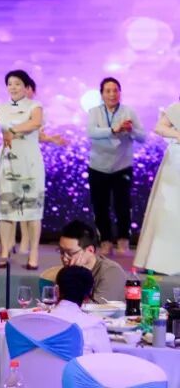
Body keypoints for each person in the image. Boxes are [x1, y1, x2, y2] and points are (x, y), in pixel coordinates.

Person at [0, 70, 44, 268]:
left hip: (29, 162)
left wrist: (12, 130)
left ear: (26, 86)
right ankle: (4, 251)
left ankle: (34, 253)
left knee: (32, 210)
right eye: (10, 84)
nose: (13, 87)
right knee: (5, 210)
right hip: (8, 162)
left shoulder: (34, 106)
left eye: (17, 83)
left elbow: (35, 123)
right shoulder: (1, 108)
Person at [86, 78, 146, 256]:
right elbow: (91, 132)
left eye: (115, 90)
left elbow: (143, 137)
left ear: (120, 92)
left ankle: (123, 242)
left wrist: (130, 130)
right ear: (102, 94)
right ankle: (105, 241)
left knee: (123, 206)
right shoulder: (94, 112)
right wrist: (113, 129)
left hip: (122, 167)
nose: (112, 94)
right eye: (108, 91)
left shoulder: (129, 111)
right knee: (100, 207)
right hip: (98, 167)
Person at [134, 99, 180, 275]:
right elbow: (159, 127)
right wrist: (178, 134)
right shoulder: (177, 108)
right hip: (176, 164)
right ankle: (161, 261)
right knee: (169, 210)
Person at [55, 220, 125, 303]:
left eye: (70, 253)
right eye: (61, 251)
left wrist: (76, 276)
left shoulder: (111, 271)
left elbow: (98, 307)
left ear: (90, 250)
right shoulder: (67, 272)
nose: (64, 258)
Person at [49, 266, 112, 354]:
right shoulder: (93, 325)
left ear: (56, 290)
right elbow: (107, 358)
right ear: (89, 294)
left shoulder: (37, 319)